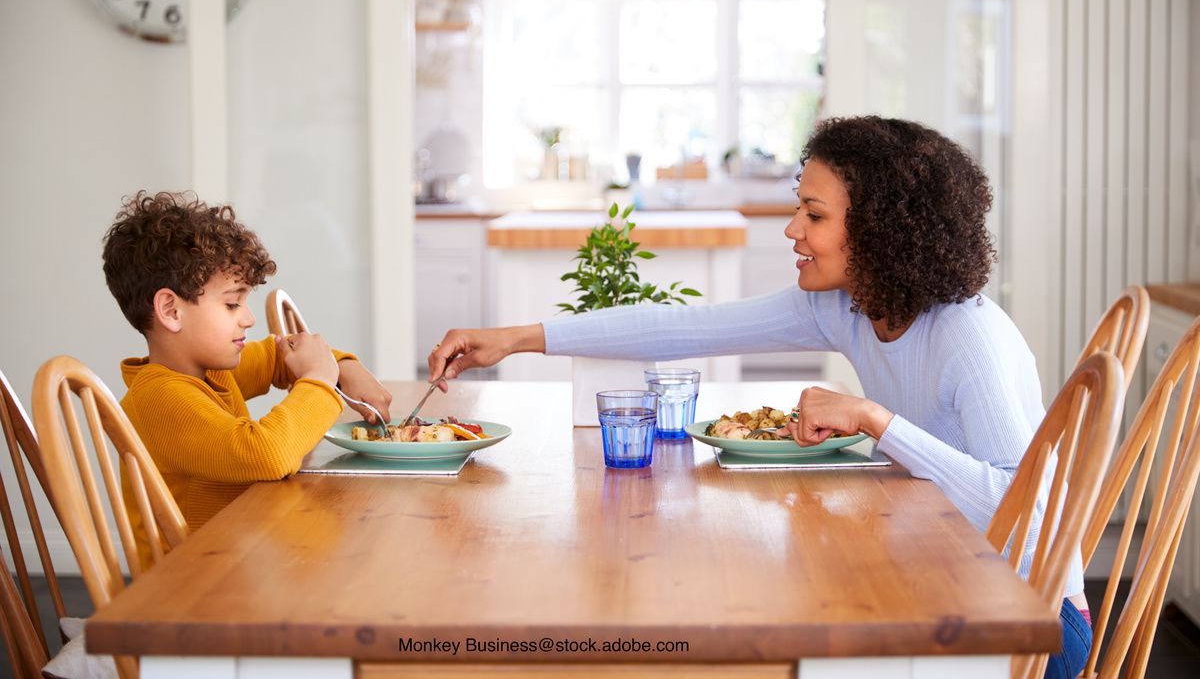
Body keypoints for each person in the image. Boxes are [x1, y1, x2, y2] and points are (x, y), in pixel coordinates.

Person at [427, 116, 1090, 679]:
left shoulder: (971, 338)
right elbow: (685, 326)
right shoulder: (848, 307)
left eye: (815, 214)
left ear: (884, 230)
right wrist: (514, 339)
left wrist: (876, 421)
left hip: (1031, 618)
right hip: (947, 574)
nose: (792, 229)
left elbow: (1030, 519)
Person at [101, 190, 391, 566]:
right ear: (171, 310)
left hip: (238, 561)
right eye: (232, 303)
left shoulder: (211, 372)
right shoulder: (159, 398)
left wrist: (345, 366)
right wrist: (321, 378)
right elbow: (265, 454)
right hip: (187, 597)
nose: (249, 318)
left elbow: (277, 356)